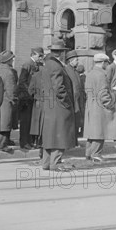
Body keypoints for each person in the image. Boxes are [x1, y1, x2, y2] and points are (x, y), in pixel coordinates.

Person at [40, 40, 75, 171]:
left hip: (50, 105)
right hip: (59, 105)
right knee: (60, 133)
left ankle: (46, 162)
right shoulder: (56, 66)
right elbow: (59, 87)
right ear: (61, 52)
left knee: (50, 134)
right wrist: (66, 103)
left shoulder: (47, 64)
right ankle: (56, 162)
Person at [84, 53, 116, 162]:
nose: (107, 65)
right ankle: (96, 154)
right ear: (103, 62)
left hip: (91, 104)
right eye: (107, 63)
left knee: (92, 132)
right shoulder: (101, 75)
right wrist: (110, 104)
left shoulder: (90, 73)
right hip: (100, 106)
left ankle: (89, 153)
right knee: (100, 131)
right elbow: (103, 93)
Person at [18, 47, 44, 150]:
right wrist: (29, 92)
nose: (41, 58)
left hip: (31, 98)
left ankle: (29, 141)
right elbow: (22, 81)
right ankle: (24, 143)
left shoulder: (36, 64)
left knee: (30, 121)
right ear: (33, 54)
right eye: (39, 56)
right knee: (25, 122)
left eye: (42, 56)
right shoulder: (28, 64)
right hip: (26, 98)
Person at [0, 50, 18, 152]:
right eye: (11, 58)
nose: (12, 60)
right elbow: (11, 89)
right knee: (5, 122)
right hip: (5, 100)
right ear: (8, 60)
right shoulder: (9, 72)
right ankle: (2, 144)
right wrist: (14, 100)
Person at [65, 50, 86, 142]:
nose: (78, 62)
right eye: (76, 60)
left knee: (77, 122)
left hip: (78, 101)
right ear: (71, 61)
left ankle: (75, 140)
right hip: (72, 101)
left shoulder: (76, 71)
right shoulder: (66, 71)